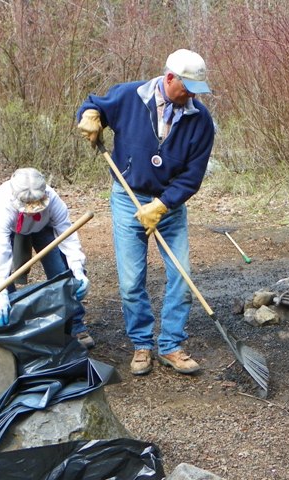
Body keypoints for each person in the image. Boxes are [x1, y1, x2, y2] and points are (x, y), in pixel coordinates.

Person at [76, 49, 215, 376]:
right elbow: (94, 103)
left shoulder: (201, 121)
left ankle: (171, 345)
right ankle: (141, 344)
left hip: (169, 205)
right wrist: (90, 114)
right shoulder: (129, 96)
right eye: (188, 88)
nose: (193, 95)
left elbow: (192, 176)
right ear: (170, 78)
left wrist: (164, 205)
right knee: (130, 280)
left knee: (181, 276)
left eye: (198, 89)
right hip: (128, 197)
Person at [0, 168, 93, 348]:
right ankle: (13, 332)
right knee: (2, 279)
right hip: (8, 230)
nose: (31, 210)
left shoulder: (53, 199)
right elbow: (1, 250)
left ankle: (75, 326)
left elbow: (67, 235)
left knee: (61, 273)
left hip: (42, 227)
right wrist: (0, 294)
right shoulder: (4, 204)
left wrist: (78, 270)